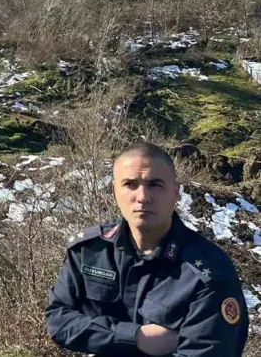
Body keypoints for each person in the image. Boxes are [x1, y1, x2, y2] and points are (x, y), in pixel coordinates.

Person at [46, 142, 249, 356]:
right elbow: (58, 319)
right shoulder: (90, 251)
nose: (142, 197)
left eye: (155, 184)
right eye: (130, 184)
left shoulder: (209, 272)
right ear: (115, 191)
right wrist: (135, 337)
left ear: (175, 193)